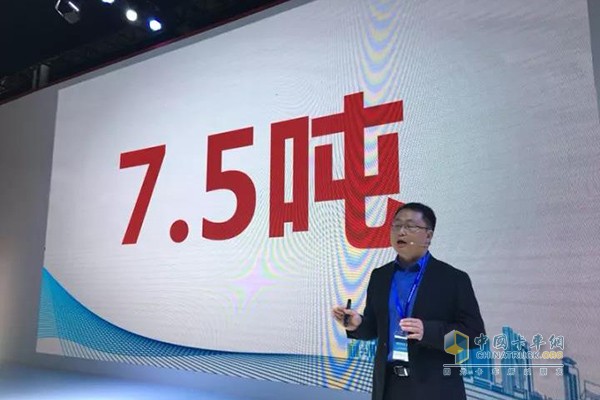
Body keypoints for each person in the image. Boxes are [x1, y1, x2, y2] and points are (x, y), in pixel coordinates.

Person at [332, 203, 485, 400]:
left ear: (428, 236)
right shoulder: (380, 276)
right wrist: (357, 324)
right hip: (388, 386)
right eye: (396, 225)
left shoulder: (453, 279)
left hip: (435, 389)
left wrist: (429, 332)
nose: (401, 231)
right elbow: (375, 330)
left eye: (410, 226)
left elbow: (474, 337)